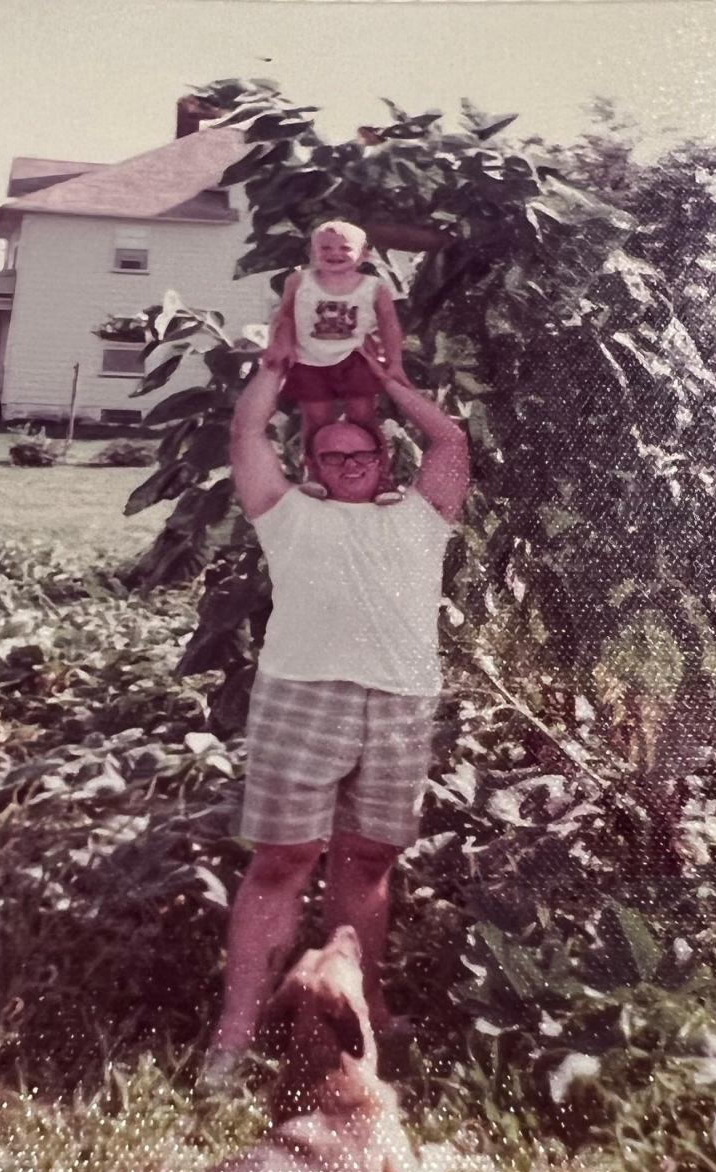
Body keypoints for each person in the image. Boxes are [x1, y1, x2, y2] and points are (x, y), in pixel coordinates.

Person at [204, 348, 469, 1078]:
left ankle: (365, 1016)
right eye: (332, 455)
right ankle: (234, 1037)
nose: (349, 463)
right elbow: (246, 439)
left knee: (370, 860)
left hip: (400, 702)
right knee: (282, 860)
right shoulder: (287, 517)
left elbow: (451, 442)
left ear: (386, 458)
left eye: (362, 453)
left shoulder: (424, 517)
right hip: (303, 695)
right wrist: (273, 371)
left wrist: (390, 383)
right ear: (312, 465)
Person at [261, 220, 405, 497]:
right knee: (315, 421)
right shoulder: (298, 280)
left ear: (363, 254)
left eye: (344, 248)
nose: (334, 253)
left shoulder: (374, 286)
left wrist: (395, 362)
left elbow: (389, 325)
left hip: (355, 359)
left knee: (363, 419)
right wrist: (278, 346)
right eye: (325, 247)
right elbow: (284, 316)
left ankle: (382, 480)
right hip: (309, 362)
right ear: (312, 251)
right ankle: (316, 477)